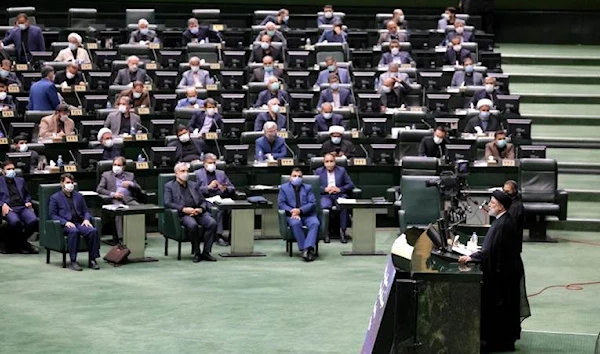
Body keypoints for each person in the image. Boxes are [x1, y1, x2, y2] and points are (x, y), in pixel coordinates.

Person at [459, 190, 529, 352]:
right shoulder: (502, 220)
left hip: (504, 274)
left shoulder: (503, 224)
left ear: (501, 206)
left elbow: (490, 251)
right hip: (507, 270)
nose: (489, 205)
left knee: (500, 306)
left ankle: (498, 342)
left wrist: (471, 258)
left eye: (492, 202)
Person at [164, 162, 217, 262]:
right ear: (176, 173)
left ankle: (206, 252)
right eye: (182, 171)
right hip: (183, 213)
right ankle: (197, 252)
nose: (185, 173)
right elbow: (168, 203)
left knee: (212, 223)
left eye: (187, 171)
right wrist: (183, 209)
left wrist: (200, 209)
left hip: (197, 212)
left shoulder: (194, 185)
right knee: (192, 225)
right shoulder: (169, 186)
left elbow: (202, 200)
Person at [49, 173, 101, 271]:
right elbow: (53, 215)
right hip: (65, 224)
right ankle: (73, 261)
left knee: (92, 231)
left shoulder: (79, 196)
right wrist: (65, 222)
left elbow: (86, 211)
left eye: (72, 182)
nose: (70, 185)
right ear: (61, 184)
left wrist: (86, 219)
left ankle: (92, 260)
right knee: (74, 231)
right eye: (67, 182)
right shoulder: (55, 198)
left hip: (78, 222)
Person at [278, 167, 320, 261]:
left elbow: (312, 203)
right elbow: (281, 204)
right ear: (290, 178)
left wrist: (300, 210)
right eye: (294, 176)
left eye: (299, 176)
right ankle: (305, 250)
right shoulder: (284, 188)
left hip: (307, 214)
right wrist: (293, 211)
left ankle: (306, 249)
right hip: (292, 215)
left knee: (315, 223)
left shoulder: (308, 188)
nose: (297, 178)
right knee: (295, 223)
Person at [96, 156, 142, 241]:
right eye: (115, 164)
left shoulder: (130, 175)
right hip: (115, 200)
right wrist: (113, 194)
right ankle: (121, 238)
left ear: (123, 167)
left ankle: (138, 236)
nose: (116, 167)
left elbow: (139, 189)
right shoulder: (106, 175)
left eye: (119, 165)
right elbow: (99, 189)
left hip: (128, 199)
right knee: (119, 211)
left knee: (139, 209)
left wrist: (131, 184)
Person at [195, 153, 235, 246]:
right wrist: (208, 187)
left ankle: (234, 236)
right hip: (206, 199)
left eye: (214, 162)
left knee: (235, 209)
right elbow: (194, 190)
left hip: (220, 198)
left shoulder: (221, 173)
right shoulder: (197, 174)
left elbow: (232, 187)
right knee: (218, 209)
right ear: (204, 163)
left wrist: (225, 189)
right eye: (210, 162)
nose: (212, 165)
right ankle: (218, 235)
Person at [315, 153, 355, 243]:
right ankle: (325, 232)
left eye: (331, 161)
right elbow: (314, 186)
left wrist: (339, 189)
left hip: (339, 195)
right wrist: (325, 189)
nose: (329, 163)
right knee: (325, 206)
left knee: (344, 206)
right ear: (323, 162)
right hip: (325, 195)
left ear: (335, 162)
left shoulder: (341, 170)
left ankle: (343, 232)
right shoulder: (318, 171)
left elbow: (351, 185)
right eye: (327, 161)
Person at [0, 160, 38, 254]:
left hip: (22, 207)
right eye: (8, 169)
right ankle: (22, 245)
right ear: (2, 171)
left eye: (13, 169)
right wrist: (2, 204)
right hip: (9, 208)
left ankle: (20, 243)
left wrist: (28, 202)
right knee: (15, 222)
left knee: (33, 221)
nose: (11, 171)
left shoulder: (20, 180)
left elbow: (27, 195)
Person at [503, 180, 525, 253]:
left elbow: (510, 225)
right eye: (504, 191)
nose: (505, 193)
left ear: (514, 191)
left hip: (512, 244)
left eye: (508, 191)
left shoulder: (515, 207)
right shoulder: (510, 202)